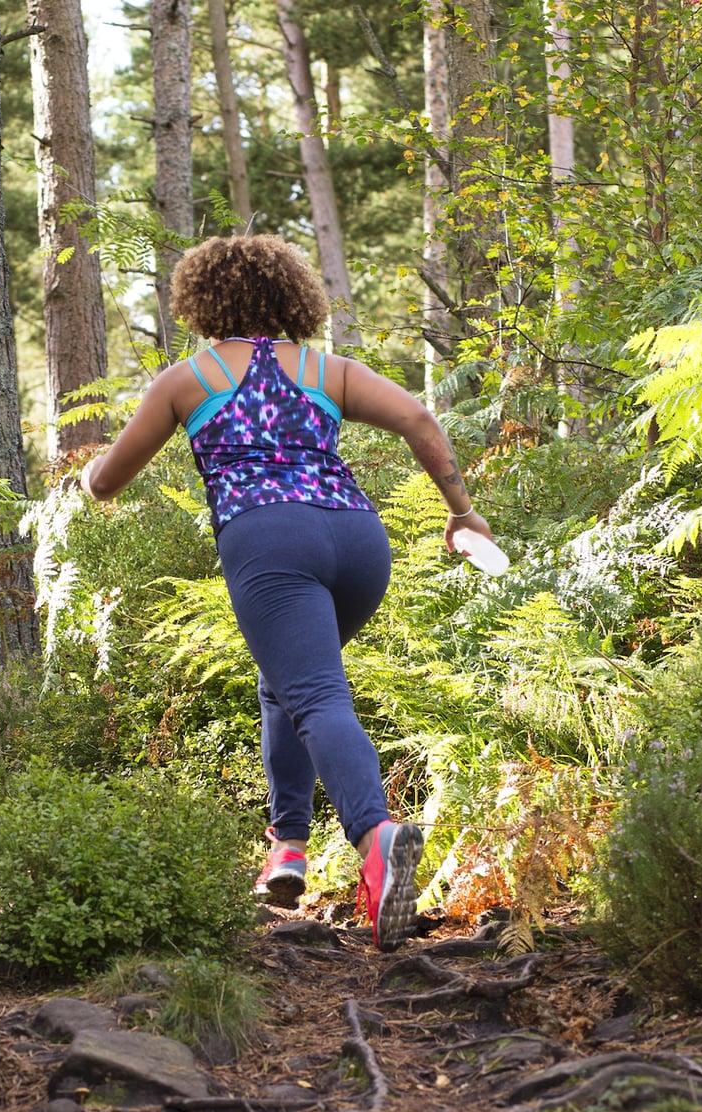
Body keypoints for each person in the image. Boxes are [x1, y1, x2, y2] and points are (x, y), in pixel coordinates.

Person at [75, 235, 493, 950]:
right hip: (359, 541)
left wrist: (82, 480)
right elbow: (421, 421)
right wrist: (461, 510)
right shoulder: (328, 370)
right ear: (292, 298)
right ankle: (288, 849)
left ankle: (376, 835)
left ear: (200, 302)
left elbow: (109, 480)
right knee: (288, 683)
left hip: (270, 541)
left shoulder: (188, 379)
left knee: (316, 696)